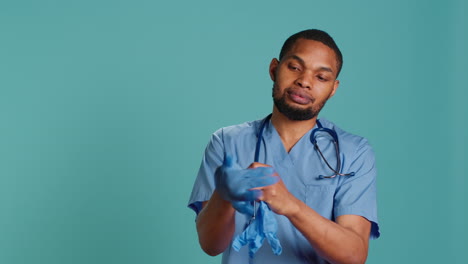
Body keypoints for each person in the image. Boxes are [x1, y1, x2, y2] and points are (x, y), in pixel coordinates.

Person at [188, 29, 380, 264]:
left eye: (321, 77)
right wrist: (224, 196)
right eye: (295, 67)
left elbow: (354, 255)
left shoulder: (354, 152)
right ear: (274, 69)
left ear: (333, 89)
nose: (304, 81)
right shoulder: (227, 142)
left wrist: (292, 206)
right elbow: (210, 245)